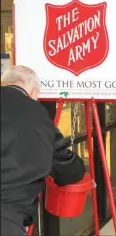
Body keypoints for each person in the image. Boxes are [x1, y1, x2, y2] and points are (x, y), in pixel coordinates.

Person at [1, 65, 86, 235]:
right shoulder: (36, 113)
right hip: (7, 216)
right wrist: (79, 168)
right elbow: (66, 168)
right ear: (33, 90)